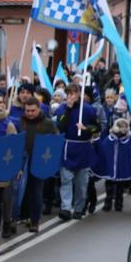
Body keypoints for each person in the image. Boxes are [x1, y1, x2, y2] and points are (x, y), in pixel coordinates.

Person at [55, 83, 101, 220]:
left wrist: (86, 128)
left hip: (83, 149)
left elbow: (97, 127)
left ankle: (79, 208)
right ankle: (65, 208)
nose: (71, 96)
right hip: (68, 148)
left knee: (81, 184)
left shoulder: (88, 109)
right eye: (69, 93)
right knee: (66, 180)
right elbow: (61, 126)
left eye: (74, 93)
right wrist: (68, 110)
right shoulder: (62, 109)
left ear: (79, 94)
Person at [16, 98, 57, 233]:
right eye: (27, 111)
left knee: (36, 191)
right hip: (22, 161)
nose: (30, 113)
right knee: (21, 190)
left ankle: (35, 220)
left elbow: (55, 141)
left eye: (33, 110)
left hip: (39, 161)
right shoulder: (20, 122)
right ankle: (22, 216)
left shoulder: (48, 124)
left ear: (39, 109)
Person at [95, 118, 131, 211]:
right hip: (110, 167)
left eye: (125, 127)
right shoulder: (110, 139)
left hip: (121, 167)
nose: (123, 129)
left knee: (120, 187)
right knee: (109, 186)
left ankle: (119, 203)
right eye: (121, 127)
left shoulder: (128, 139)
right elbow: (103, 149)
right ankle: (108, 203)